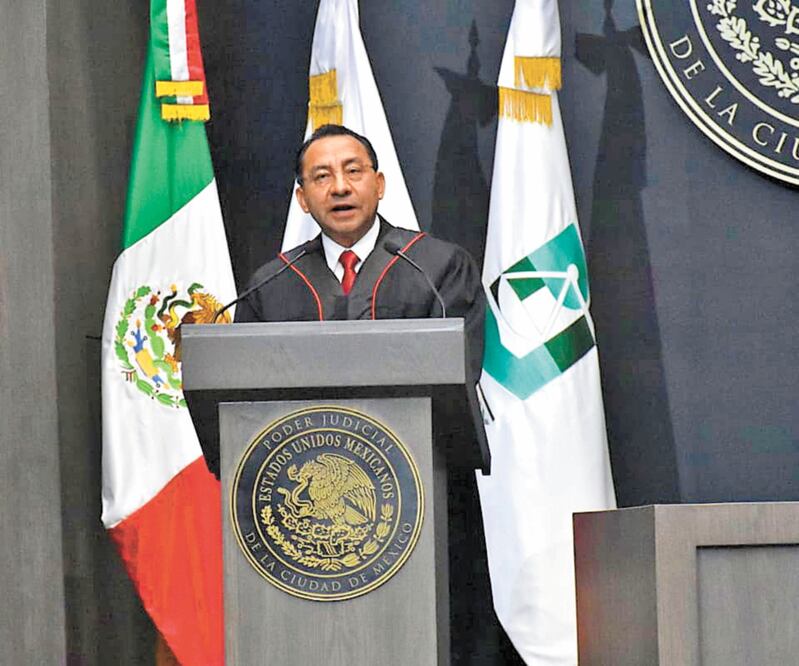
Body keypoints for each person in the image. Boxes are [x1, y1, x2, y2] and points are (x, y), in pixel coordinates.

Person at [236, 124, 520, 665]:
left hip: (425, 498)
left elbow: (461, 371)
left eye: (352, 171)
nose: (338, 187)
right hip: (306, 534)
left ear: (380, 184)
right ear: (302, 198)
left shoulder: (436, 265)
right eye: (321, 177)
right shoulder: (272, 283)